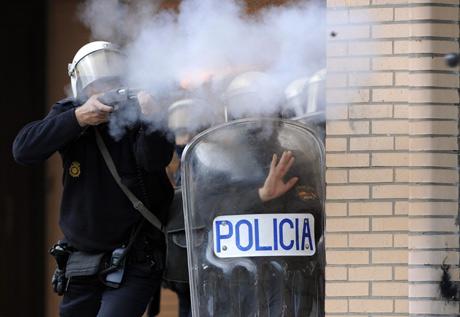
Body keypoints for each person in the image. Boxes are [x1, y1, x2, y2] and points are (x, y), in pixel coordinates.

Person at [12, 41, 174, 317]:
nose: (106, 90)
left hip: (135, 255)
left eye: (113, 81)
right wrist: (79, 118)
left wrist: (153, 119)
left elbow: (153, 161)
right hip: (81, 260)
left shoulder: (140, 115)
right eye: (96, 84)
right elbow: (24, 150)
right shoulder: (71, 113)